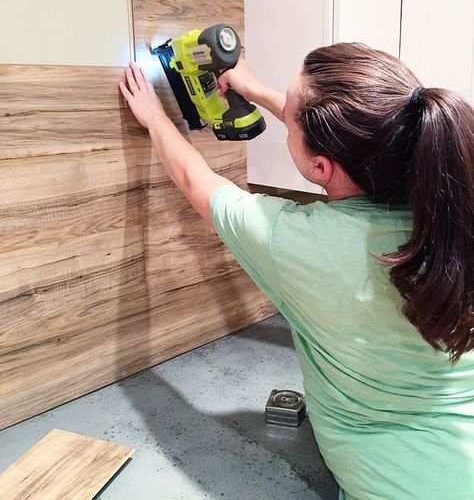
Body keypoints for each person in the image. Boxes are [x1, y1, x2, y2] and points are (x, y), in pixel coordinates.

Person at [119, 43, 474, 500]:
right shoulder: (453, 214)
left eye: (290, 116)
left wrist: (155, 117)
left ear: (320, 167)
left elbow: (195, 180)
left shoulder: (297, 242)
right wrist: (256, 91)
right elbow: (351, 137)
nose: (283, 116)